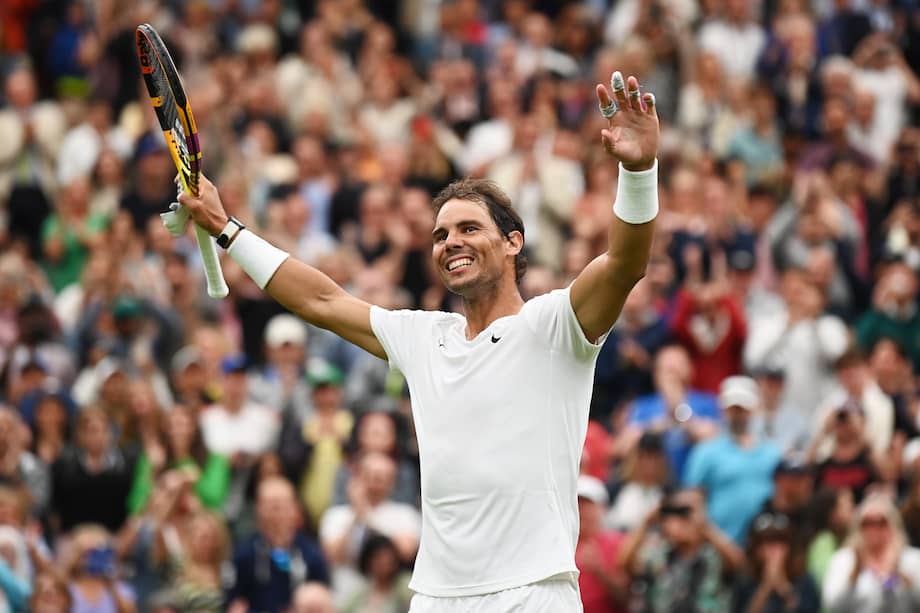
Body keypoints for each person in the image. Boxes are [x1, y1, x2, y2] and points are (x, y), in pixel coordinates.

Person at [177, 69, 660, 610]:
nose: (450, 241)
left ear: (512, 243)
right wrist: (226, 228)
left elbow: (624, 263)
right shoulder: (424, 336)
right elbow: (321, 301)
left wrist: (638, 170)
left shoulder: (554, 325)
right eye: (440, 235)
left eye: (469, 228)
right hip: (436, 596)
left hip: (534, 592)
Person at [684, 376, 783, 543]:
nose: (738, 415)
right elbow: (694, 500)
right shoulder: (705, 452)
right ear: (724, 410)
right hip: (717, 546)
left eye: (743, 409)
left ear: (753, 409)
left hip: (762, 545)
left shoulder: (772, 453)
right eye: (733, 409)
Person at [823, 493, 920, 612]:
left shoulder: (912, 558)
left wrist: (900, 572)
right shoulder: (844, 559)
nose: (874, 529)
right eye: (867, 523)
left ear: (893, 524)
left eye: (881, 522)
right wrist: (855, 572)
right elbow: (832, 605)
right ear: (858, 526)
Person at [575, 475, 628, 613]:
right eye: (576, 505)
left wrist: (600, 570)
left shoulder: (619, 543)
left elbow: (627, 597)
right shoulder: (562, 545)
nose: (581, 511)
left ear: (602, 507)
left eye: (587, 505)